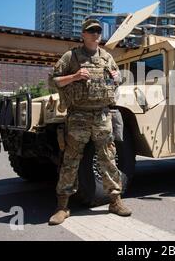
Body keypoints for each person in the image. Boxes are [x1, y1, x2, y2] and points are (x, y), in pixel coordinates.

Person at [48, 19, 131, 226]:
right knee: (71, 159)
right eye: (91, 31)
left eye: (98, 31)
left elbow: (117, 80)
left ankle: (115, 201)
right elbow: (53, 81)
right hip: (79, 116)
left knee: (108, 158)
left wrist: (117, 77)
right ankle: (62, 206)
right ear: (83, 34)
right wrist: (75, 76)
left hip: (102, 115)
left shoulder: (107, 57)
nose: (96, 34)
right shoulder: (72, 56)